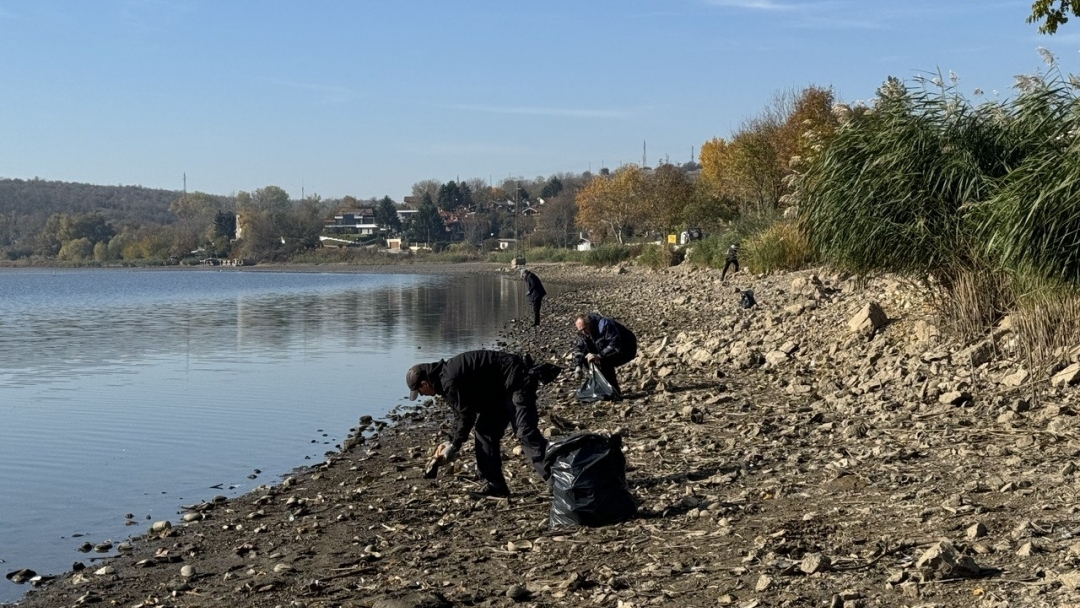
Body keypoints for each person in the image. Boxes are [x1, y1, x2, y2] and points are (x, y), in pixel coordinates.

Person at [406, 350, 548, 497]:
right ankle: (495, 486)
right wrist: (448, 441)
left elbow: (467, 416)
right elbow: (459, 414)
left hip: (518, 378)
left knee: (526, 434)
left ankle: (559, 483)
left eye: (420, 391)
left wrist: (454, 446)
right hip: (501, 389)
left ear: (425, 383)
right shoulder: (443, 381)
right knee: (484, 431)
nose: (422, 395)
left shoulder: (449, 381)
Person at [571, 313, 638, 399]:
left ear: (590, 324)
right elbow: (580, 349)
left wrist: (599, 355)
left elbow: (615, 344)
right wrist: (578, 366)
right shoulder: (583, 333)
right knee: (587, 359)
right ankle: (602, 387)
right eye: (581, 330)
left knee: (603, 361)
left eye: (585, 329)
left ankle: (613, 391)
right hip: (604, 347)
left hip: (626, 349)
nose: (584, 332)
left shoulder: (605, 325)